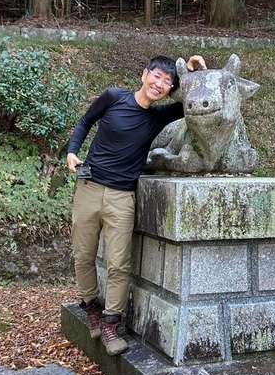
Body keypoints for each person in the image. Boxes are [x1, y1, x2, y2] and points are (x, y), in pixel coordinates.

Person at [67, 54, 206, 355]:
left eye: (167, 82)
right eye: (156, 76)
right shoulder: (113, 97)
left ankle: (110, 323)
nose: (159, 84)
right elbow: (86, 121)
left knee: (119, 263)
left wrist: (192, 72)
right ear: (144, 75)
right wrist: (72, 151)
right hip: (89, 188)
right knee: (83, 256)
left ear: (169, 90)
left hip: (122, 197)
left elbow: (192, 100)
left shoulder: (158, 117)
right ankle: (91, 306)